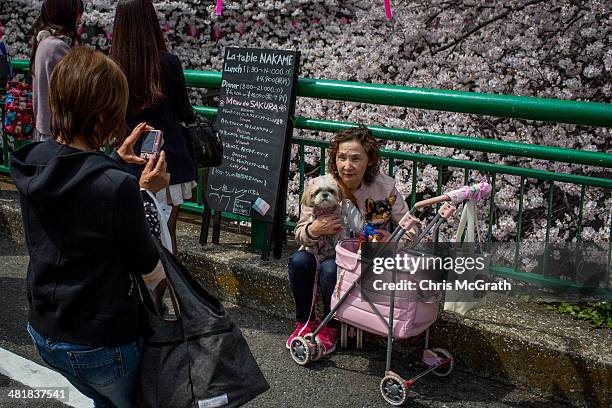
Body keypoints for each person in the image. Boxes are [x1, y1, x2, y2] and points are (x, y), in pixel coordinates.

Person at [10, 46, 170, 408]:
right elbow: (148, 265)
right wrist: (147, 194)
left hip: (44, 328)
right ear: (103, 120)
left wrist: (113, 161)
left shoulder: (32, 163)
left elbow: (74, 193)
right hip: (100, 341)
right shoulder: (116, 186)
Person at [286, 127, 420, 355]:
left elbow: (412, 226)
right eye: (342, 158)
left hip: (359, 259)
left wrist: (393, 240)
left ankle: (332, 326)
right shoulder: (320, 184)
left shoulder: (384, 188)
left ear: (369, 161)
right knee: (299, 260)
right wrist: (314, 228)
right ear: (335, 159)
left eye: (356, 158)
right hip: (321, 250)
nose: (347, 165)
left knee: (331, 268)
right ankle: (304, 321)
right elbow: (300, 232)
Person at [111, 0, 197, 255]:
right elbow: (184, 112)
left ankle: (139, 290)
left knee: (134, 230)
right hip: (168, 161)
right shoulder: (168, 62)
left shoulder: (112, 66)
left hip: (127, 160)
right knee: (166, 233)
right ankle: (165, 289)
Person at [30, 0, 84, 142]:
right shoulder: (57, 47)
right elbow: (73, 89)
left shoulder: (44, 42)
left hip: (45, 127)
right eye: (77, 19)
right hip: (57, 132)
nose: (80, 21)